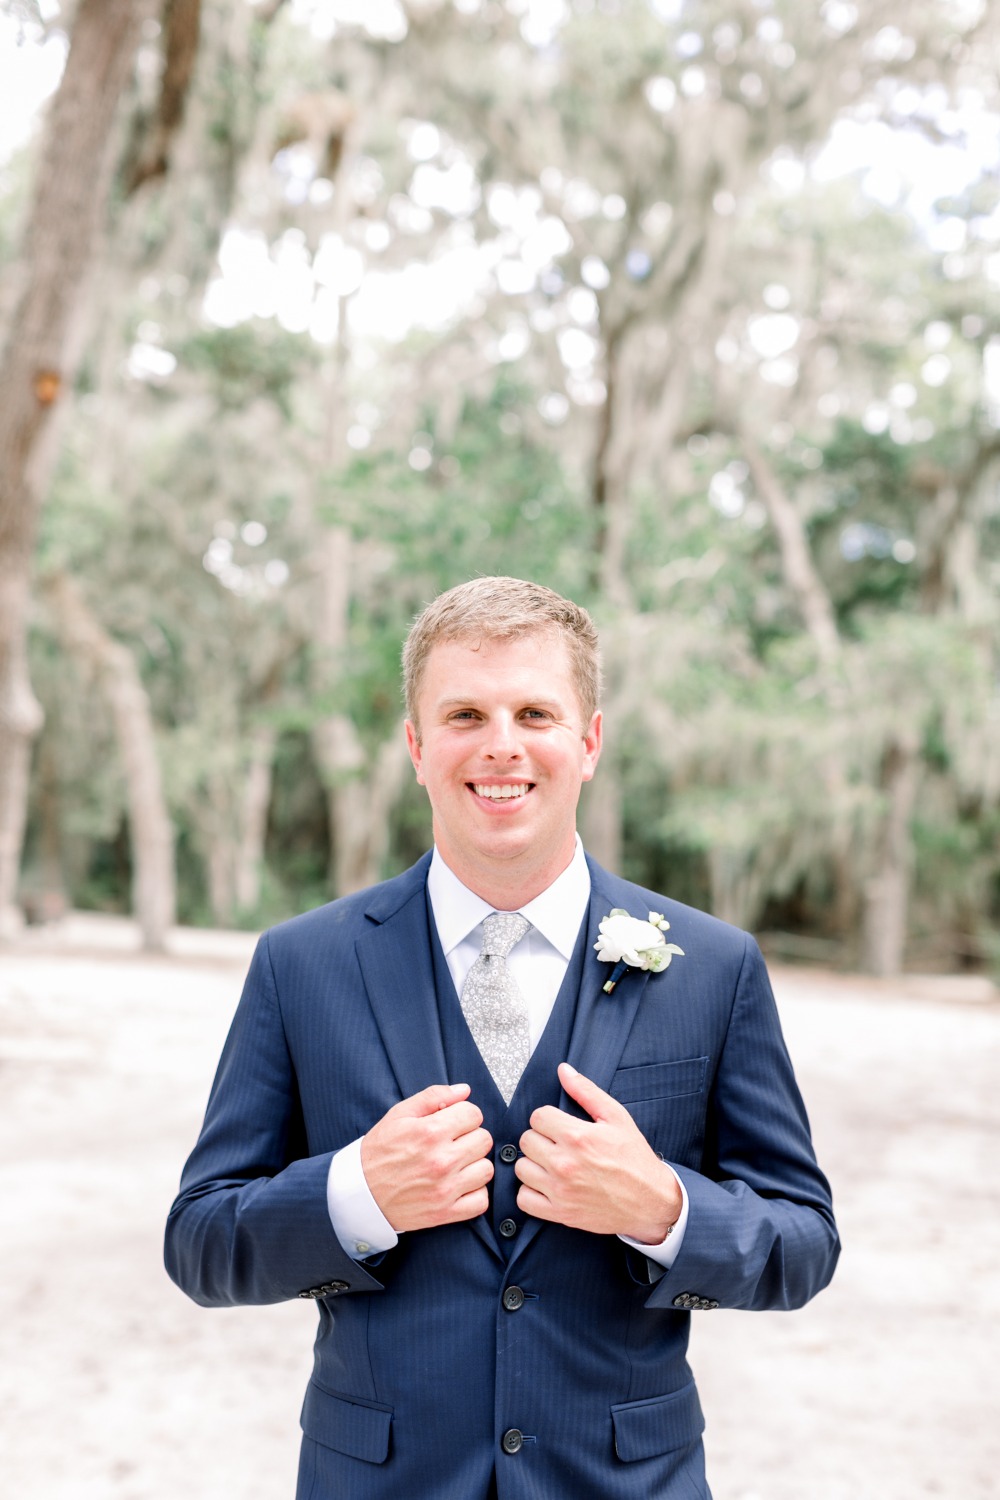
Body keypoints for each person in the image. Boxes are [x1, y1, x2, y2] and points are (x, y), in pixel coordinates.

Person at [165, 576, 839, 1500]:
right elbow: (200, 1242)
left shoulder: (712, 967)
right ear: (415, 746)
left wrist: (662, 1209)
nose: (502, 746)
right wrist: (357, 1193)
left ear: (590, 740)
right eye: (465, 715)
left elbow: (804, 1243)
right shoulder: (302, 965)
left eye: (535, 712)